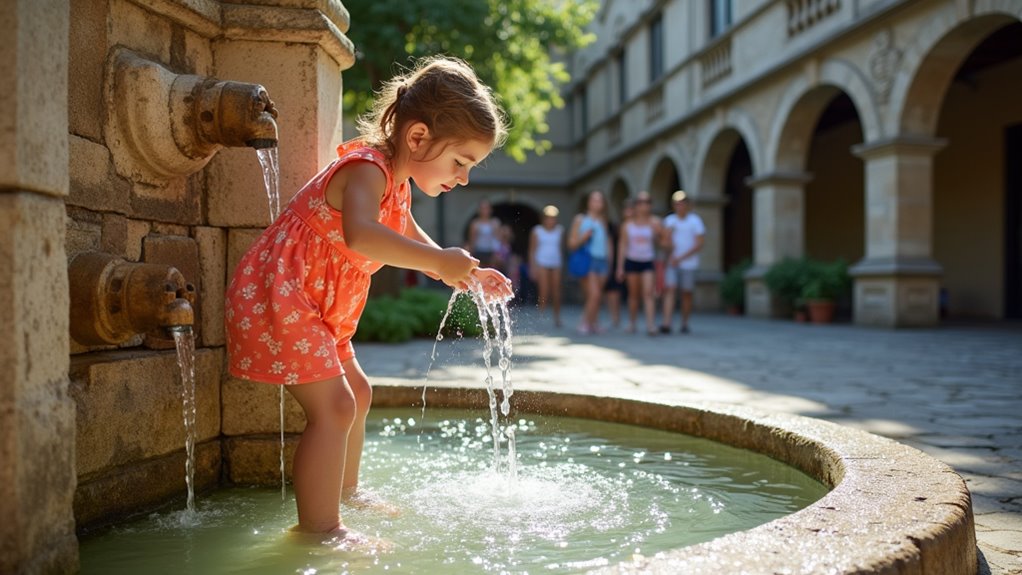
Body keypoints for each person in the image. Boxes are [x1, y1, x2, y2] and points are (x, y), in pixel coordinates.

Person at [224, 56, 512, 538]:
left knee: (357, 393)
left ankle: (345, 491)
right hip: (281, 296)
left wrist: (462, 271)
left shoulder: (395, 183)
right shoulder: (366, 169)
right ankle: (320, 529)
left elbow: (408, 232)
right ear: (417, 137)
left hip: (315, 306)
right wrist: (439, 263)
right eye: (459, 162)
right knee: (335, 405)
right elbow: (361, 234)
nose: (463, 178)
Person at [616, 191, 662, 335]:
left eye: (647, 202)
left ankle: (651, 325)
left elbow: (664, 243)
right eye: (641, 202)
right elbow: (622, 246)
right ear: (636, 205)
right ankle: (632, 323)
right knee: (633, 295)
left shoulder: (655, 222)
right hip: (631, 261)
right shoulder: (627, 225)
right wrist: (619, 267)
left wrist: (659, 234)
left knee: (648, 293)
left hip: (647, 261)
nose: (644, 205)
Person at [660, 190, 705, 334]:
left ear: (687, 205)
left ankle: (684, 322)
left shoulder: (695, 221)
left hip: (689, 264)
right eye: (677, 203)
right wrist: (668, 237)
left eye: (683, 203)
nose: (680, 206)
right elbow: (664, 244)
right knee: (670, 290)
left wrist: (680, 258)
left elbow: (699, 244)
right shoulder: (669, 221)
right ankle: (667, 323)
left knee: (686, 293)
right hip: (672, 263)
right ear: (674, 205)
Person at [569, 190, 611, 334]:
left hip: (602, 261)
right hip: (588, 260)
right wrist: (583, 238)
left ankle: (594, 323)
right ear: (588, 202)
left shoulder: (603, 220)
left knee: (596, 296)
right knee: (594, 295)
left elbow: (607, 243)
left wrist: (610, 262)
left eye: (600, 200)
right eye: (594, 200)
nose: (597, 203)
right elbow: (571, 244)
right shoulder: (580, 219)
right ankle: (585, 323)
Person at [529, 205, 564, 327]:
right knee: (544, 290)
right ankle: (542, 315)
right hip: (542, 262)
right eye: (548, 218)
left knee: (556, 291)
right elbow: (532, 250)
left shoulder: (559, 230)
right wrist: (533, 267)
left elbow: (560, 248)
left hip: (556, 263)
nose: (551, 220)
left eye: (553, 218)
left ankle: (557, 317)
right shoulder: (537, 231)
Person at [603, 201, 631, 330]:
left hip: (633, 260)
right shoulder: (616, 226)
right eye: (626, 209)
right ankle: (615, 317)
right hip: (616, 262)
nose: (628, 212)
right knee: (613, 290)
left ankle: (631, 320)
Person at [467, 199, 503, 268]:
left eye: (486, 208)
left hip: (492, 253)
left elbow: (498, 240)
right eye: (482, 208)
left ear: (490, 209)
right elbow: (472, 241)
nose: (484, 211)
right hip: (478, 252)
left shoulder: (495, 223)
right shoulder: (475, 224)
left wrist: (498, 254)